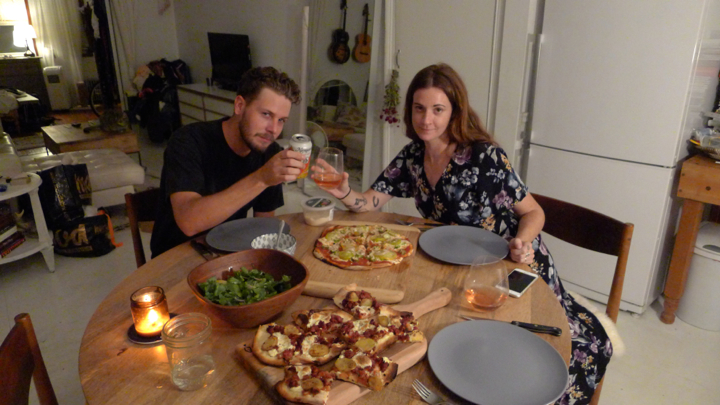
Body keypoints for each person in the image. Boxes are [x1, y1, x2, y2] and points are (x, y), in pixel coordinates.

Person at [317, 63, 612, 404]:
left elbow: (534, 212)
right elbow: (369, 202)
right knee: (435, 343)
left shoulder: (485, 156)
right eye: (419, 108)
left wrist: (523, 242)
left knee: (527, 361)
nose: (426, 119)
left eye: (438, 109)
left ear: (455, 111)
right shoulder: (413, 156)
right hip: (450, 269)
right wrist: (343, 191)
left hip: (508, 267)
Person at [150, 66, 304, 257]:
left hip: (227, 252)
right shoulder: (188, 141)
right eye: (266, 114)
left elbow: (264, 225)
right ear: (239, 106)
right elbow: (189, 222)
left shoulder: (270, 152)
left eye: (281, 120)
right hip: (173, 258)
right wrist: (261, 178)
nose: (274, 129)